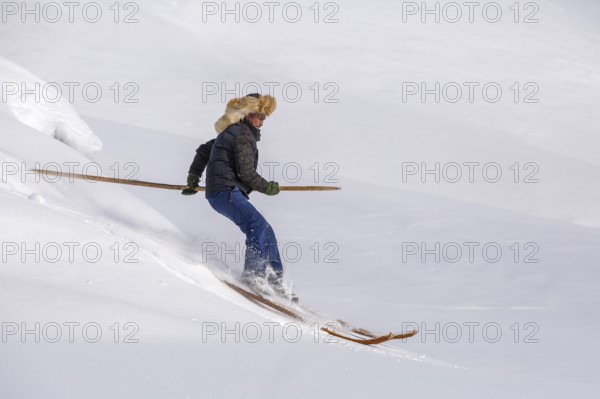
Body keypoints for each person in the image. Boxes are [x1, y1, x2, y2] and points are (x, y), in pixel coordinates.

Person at [182, 93, 296, 301]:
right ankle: (254, 275)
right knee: (257, 226)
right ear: (246, 114)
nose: (261, 121)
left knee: (265, 230)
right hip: (225, 191)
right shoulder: (241, 134)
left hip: (225, 191)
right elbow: (247, 174)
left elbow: (203, 151)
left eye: (264, 118)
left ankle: (276, 280)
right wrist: (268, 187)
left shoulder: (232, 133)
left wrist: (193, 178)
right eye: (258, 116)